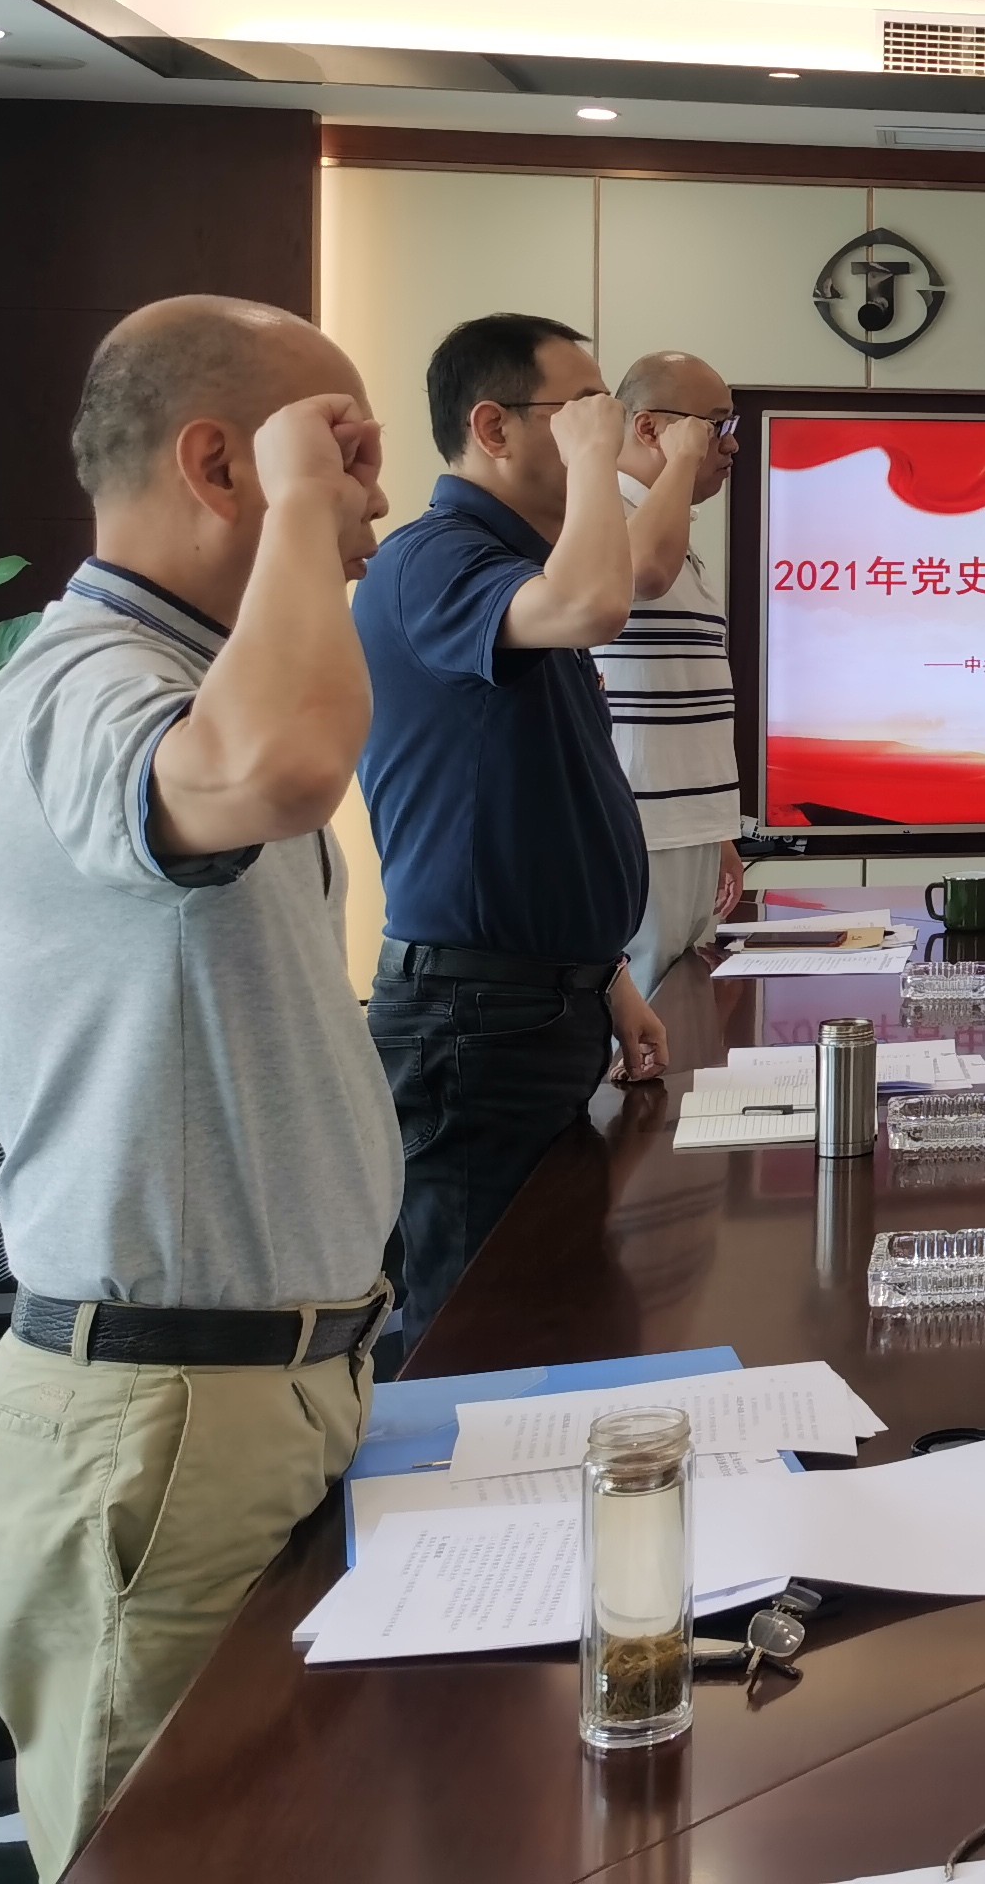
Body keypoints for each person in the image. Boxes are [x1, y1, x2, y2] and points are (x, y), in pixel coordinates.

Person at [0, 298, 399, 1876]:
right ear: (220, 465)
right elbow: (280, 767)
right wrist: (303, 503)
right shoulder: (85, 683)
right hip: (162, 1429)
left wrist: (301, 500)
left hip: (261, 1398)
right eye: (348, 453)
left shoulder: (194, 679)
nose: (375, 500)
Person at [355, 313, 683, 1349]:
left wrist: (605, 973)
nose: (604, 425)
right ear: (492, 427)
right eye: (581, 407)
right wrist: (598, 463)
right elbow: (597, 605)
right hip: (474, 1019)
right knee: (477, 1326)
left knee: (552, 1299)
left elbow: (539, 790)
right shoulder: (433, 559)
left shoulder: (514, 568)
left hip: (537, 1003)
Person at [599, 349, 746, 991]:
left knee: (682, 1004)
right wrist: (683, 461)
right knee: (642, 1013)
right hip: (638, 825)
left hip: (685, 824)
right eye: (716, 425)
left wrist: (716, 830)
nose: (730, 445)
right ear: (649, 428)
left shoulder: (672, 534)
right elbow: (643, 574)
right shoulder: (603, 511)